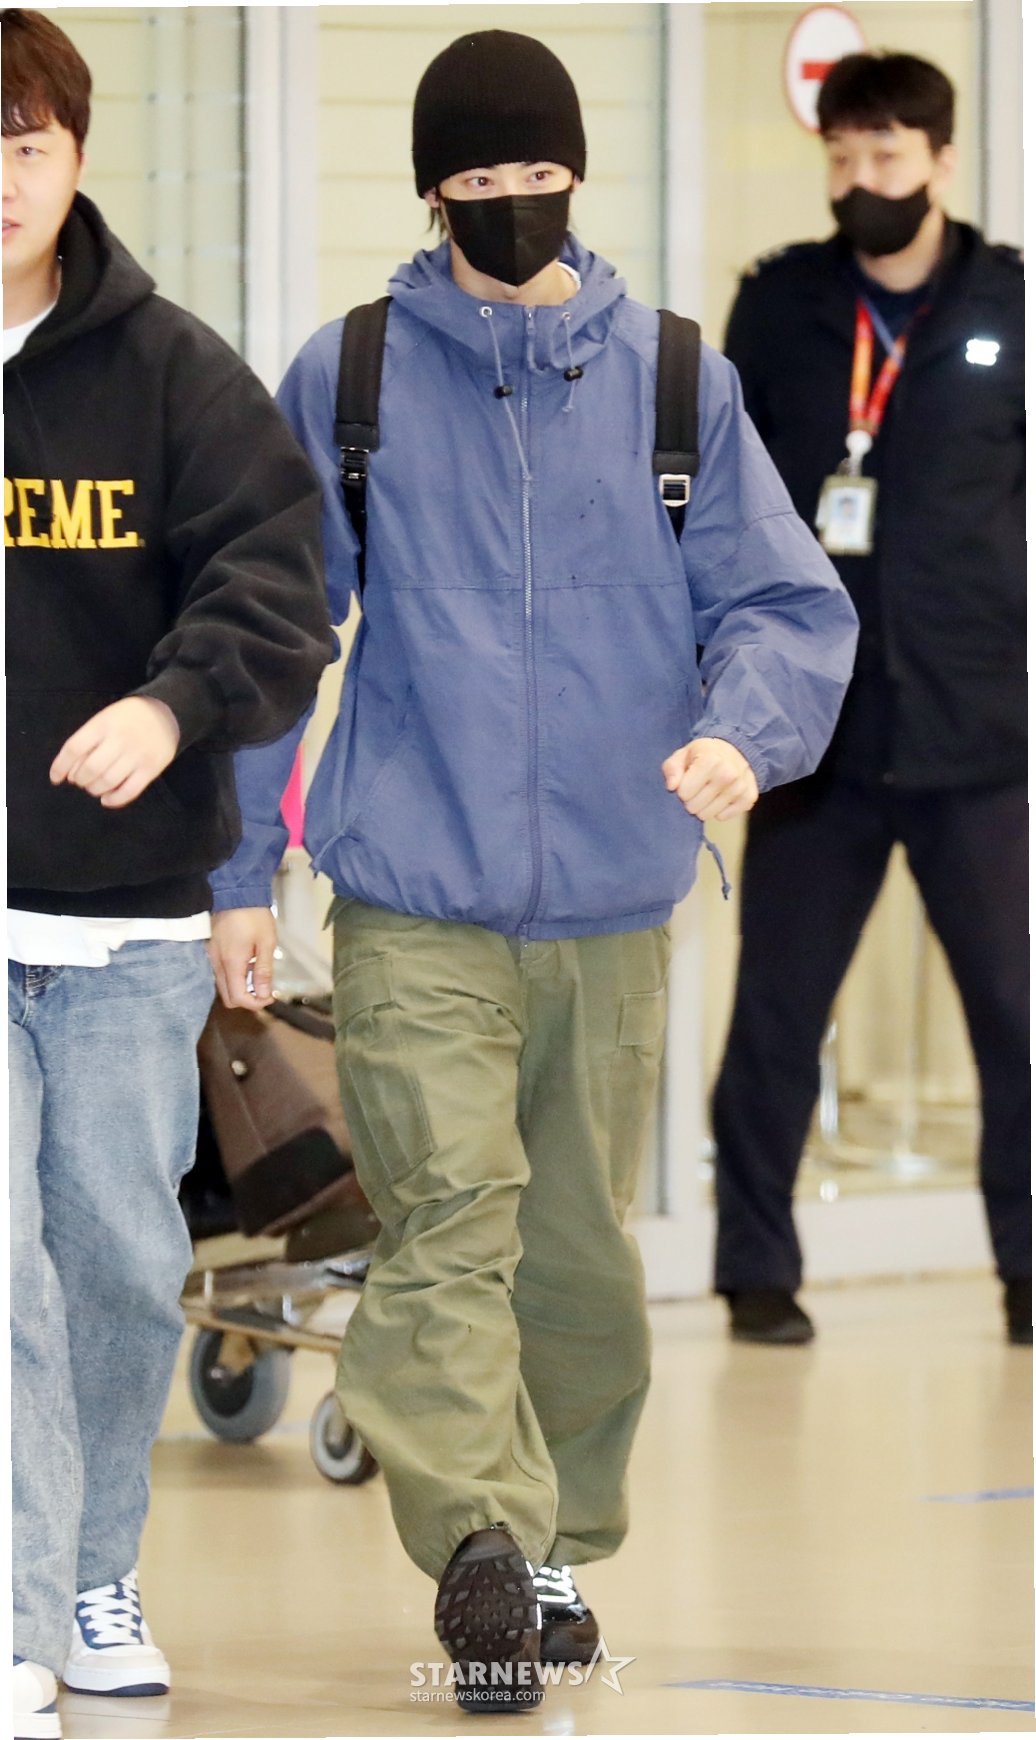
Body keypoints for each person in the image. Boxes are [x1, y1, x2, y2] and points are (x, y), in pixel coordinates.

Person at [210, 29, 857, 1712]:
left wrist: (744, 734)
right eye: (478, 179)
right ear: (433, 193)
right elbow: (272, 633)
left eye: (538, 173)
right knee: (448, 1219)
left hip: (613, 906)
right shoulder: (352, 375)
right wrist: (237, 870)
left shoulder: (673, 380)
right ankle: (482, 1550)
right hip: (413, 892)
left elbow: (785, 605)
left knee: (572, 1249)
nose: (512, 203)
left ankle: (554, 1541)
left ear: (577, 174)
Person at [3, 11, 334, 1738]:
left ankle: (93, 1570)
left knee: (121, 1265)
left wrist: (170, 702)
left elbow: (280, 584)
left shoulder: (169, 371)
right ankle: (15, 1611)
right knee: (1, 1267)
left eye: (26, 147)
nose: (2, 182)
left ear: (75, 155)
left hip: (124, 917)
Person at [711, 51, 1029, 1349]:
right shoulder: (780, 305)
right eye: (842, 158)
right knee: (778, 1012)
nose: (861, 181)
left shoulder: (1010, 303)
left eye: (886, 156)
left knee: (1012, 1019)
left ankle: (1028, 1270)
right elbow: (728, 505)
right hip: (816, 736)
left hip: (974, 734)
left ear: (942, 160)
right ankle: (755, 1269)